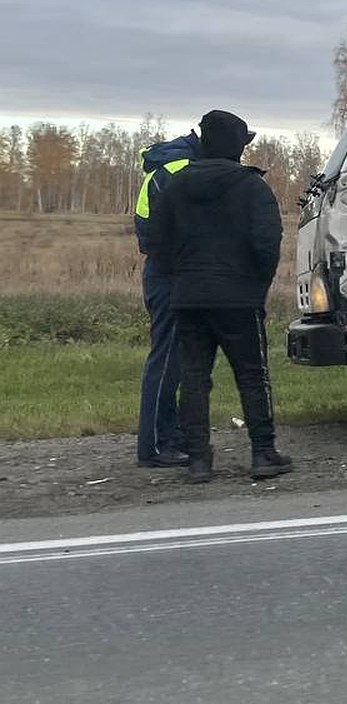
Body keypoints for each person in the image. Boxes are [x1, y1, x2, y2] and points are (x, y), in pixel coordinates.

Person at [144, 109, 292, 484]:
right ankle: (263, 453)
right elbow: (267, 244)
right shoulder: (252, 186)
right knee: (253, 376)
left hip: (189, 296)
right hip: (239, 298)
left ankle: (198, 461)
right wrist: (257, 288)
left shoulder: (176, 186)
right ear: (235, 146)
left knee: (194, 378)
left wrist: (183, 277)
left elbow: (156, 244)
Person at [133, 128, 202, 468]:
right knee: (166, 361)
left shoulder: (171, 166)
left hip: (168, 273)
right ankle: (156, 446)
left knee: (176, 360)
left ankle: (169, 436)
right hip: (171, 276)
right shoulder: (180, 170)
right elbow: (157, 234)